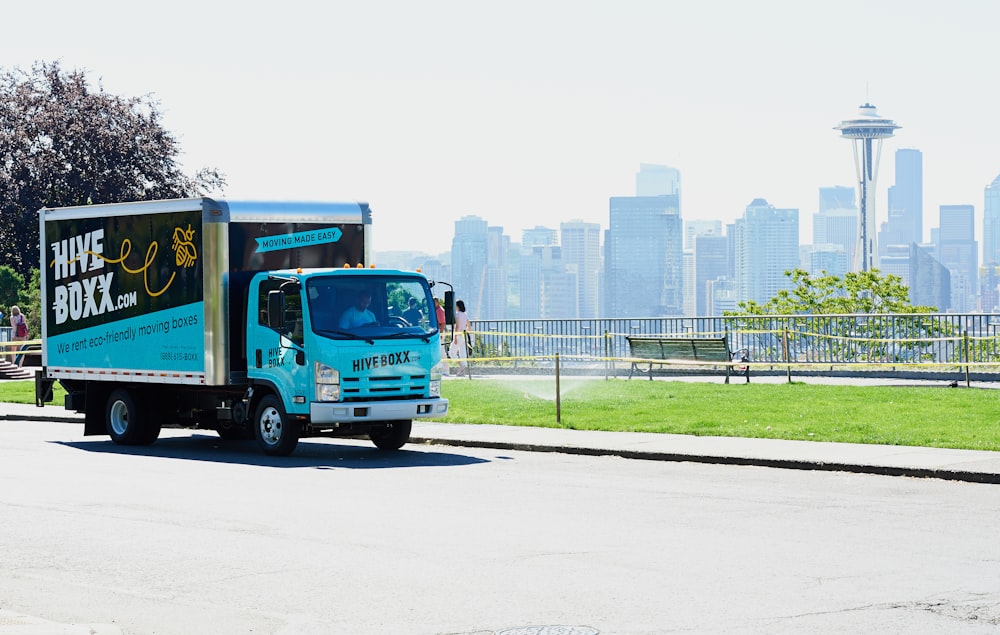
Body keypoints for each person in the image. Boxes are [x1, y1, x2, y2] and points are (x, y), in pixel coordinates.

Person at [449, 299, 470, 376]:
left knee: (451, 352)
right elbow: (469, 325)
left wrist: (454, 337)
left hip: (458, 335)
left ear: (457, 306)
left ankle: (461, 365)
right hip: (463, 335)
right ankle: (462, 370)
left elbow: (457, 326)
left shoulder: (457, 314)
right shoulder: (465, 314)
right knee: (462, 353)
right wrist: (466, 331)